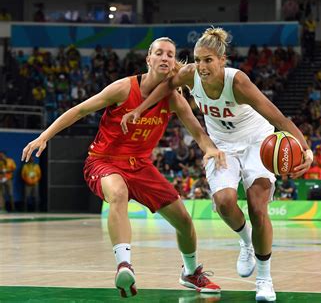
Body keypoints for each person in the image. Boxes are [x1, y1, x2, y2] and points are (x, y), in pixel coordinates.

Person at [22, 37, 226, 298]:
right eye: (159, 53)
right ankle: (123, 265)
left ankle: (189, 272)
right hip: (103, 160)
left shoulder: (174, 99)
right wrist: (44, 136)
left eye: (170, 54)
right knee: (118, 193)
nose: (165, 58)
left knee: (184, 221)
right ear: (148, 59)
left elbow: (198, 132)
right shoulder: (123, 88)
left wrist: (209, 148)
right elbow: (80, 109)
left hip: (140, 166)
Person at [121, 27, 313, 302]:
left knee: (258, 209)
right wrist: (140, 108)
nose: (201, 66)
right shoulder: (190, 75)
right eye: (198, 59)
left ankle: (264, 280)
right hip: (222, 146)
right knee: (224, 203)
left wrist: (306, 149)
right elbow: (167, 85)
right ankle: (246, 239)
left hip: (257, 142)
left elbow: (280, 118)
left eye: (208, 60)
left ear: (223, 60)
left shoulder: (238, 83)